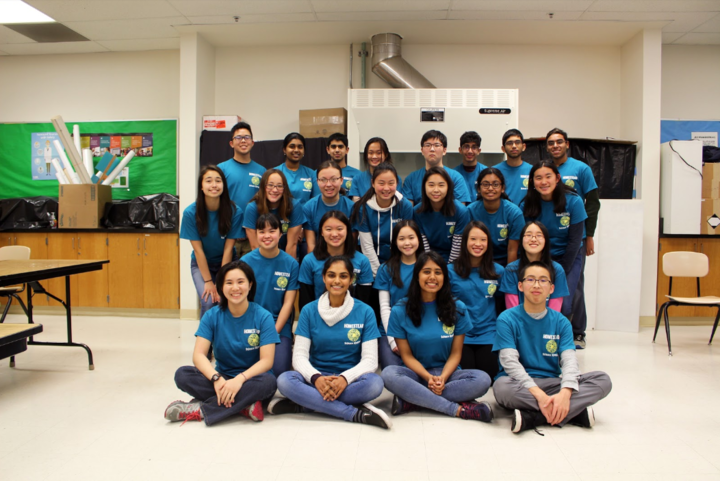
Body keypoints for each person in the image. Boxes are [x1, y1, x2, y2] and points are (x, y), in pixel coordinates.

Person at [270, 256, 391, 429]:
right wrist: (316, 379)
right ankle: (352, 413)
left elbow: (370, 361)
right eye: (331, 275)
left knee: (375, 384)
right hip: (316, 377)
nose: (337, 281)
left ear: (351, 280)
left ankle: (305, 403)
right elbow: (299, 357)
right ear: (324, 278)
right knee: (284, 380)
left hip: (351, 379)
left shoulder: (365, 311)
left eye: (343, 276)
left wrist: (344, 378)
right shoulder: (308, 310)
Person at [492, 261, 612, 434]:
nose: (536, 285)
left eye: (543, 280)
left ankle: (533, 417)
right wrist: (537, 394)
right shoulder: (507, 318)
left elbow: (569, 360)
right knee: (501, 388)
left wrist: (565, 392)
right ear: (520, 285)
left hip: (552, 382)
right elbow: (508, 361)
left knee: (603, 380)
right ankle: (573, 413)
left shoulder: (561, 321)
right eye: (530, 279)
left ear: (551, 288)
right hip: (519, 383)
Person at [381, 251, 493, 421]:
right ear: (417, 275)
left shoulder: (459, 308)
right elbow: (406, 356)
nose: (432, 277)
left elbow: (456, 353)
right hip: (416, 374)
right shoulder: (399, 310)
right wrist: (428, 378)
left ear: (444, 277)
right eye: (426, 272)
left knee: (483, 379)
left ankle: (414, 399)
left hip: (447, 374)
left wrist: (442, 378)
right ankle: (456, 409)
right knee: (389, 374)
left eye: (438, 272)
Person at [165, 261, 279, 425]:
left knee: (268, 383)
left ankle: (201, 410)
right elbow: (198, 355)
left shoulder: (263, 316)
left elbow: (267, 361)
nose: (235, 288)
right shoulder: (212, 316)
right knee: (182, 375)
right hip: (222, 378)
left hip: (251, 379)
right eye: (229, 283)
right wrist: (217, 379)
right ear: (221, 286)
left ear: (250, 284)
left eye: (240, 282)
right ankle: (244, 406)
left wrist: (239, 380)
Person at [521, 161, 587, 348]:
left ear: (557, 178)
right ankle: (539, 337)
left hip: (570, 255)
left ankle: (570, 335)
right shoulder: (527, 204)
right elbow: (525, 238)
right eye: (538, 177)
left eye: (548, 176)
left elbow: (575, 241)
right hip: (539, 256)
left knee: (566, 301)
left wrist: (560, 271)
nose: (543, 181)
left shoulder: (573, 201)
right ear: (532, 181)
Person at [546, 127, 601, 349]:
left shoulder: (581, 169)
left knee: (574, 286)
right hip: (550, 242)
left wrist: (589, 235)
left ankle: (578, 332)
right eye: (551, 143)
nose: (555, 146)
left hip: (575, 240)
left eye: (559, 142)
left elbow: (594, 204)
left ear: (567, 144)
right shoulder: (544, 169)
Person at [180, 166, 244, 317]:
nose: (214, 185)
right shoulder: (191, 213)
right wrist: (209, 281)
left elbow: (229, 249)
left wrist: (221, 280)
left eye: (218, 181)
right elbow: (198, 250)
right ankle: (205, 340)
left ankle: (226, 339)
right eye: (209, 181)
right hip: (202, 263)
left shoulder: (235, 211)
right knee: (208, 301)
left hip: (227, 261)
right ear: (201, 186)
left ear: (223, 185)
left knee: (226, 298)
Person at [242, 214, 299, 377]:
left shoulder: (291, 264)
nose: (267, 236)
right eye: (262, 231)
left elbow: (288, 303)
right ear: (256, 234)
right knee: (243, 367)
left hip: (277, 324)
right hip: (251, 321)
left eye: (272, 231)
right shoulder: (245, 262)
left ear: (280, 234)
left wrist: (273, 333)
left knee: (279, 371)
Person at [448, 221, 504, 380]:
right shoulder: (450, 271)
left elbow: (501, 305)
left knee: (489, 375)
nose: (478, 244)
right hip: (461, 334)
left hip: (488, 333)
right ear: (465, 242)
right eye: (473, 239)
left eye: (483, 240)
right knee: (466, 376)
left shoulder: (498, 271)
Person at [373, 220, 425, 369]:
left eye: (411, 237)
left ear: (419, 239)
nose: (407, 243)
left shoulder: (428, 266)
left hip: (421, 329)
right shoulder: (385, 269)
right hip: (392, 330)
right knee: (391, 372)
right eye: (401, 239)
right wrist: (392, 340)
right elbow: (384, 307)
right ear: (395, 242)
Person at [299, 211, 374, 309]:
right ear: (321, 232)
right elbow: (306, 301)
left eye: (339, 229)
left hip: (352, 319)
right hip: (318, 317)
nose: (334, 234)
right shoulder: (309, 260)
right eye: (328, 229)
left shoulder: (362, 261)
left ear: (347, 230)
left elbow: (364, 302)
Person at [352, 162, 414, 275]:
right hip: (372, 265)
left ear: (397, 183)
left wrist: (398, 270)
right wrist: (380, 274)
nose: (386, 188)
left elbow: (407, 241)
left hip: (400, 263)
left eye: (391, 183)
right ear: (373, 183)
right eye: (381, 183)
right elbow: (367, 246)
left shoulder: (405, 206)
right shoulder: (363, 208)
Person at [218, 122, 266, 257]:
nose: (243, 140)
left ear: (252, 143)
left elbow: (264, 204)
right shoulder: (221, 169)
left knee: (252, 275)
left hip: (254, 236)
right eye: (238, 137)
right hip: (228, 235)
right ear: (231, 143)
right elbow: (217, 202)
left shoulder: (261, 171)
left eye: (247, 137)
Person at [500, 221, 570, 312]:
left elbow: (554, 312)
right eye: (528, 235)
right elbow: (512, 310)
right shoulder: (511, 269)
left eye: (539, 235)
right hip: (519, 323)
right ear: (521, 240)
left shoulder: (557, 270)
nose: (533, 239)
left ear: (546, 240)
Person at [467, 167, 524, 266]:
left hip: (505, 260)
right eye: (485, 184)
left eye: (495, 184)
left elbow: (512, 250)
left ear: (503, 188)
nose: (490, 188)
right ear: (478, 189)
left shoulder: (514, 213)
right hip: (478, 259)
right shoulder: (470, 211)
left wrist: (508, 275)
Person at [243, 169, 304, 260]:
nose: (275, 190)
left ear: (284, 189)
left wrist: (286, 270)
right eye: (270, 185)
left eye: (279, 186)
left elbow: (292, 245)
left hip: (287, 255)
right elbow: (255, 246)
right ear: (263, 187)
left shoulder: (294, 206)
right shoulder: (252, 208)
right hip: (261, 257)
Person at [412, 166, 470, 263]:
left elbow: (457, 248)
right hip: (427, 260)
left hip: (455, 261)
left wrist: (450, 269)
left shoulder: (461, 211)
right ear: (424, 187)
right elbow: (424, 247)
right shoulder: (417, 211)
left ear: (448, 187)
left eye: (441, 185)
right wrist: (431, 266)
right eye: (431, 185)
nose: (436, 190)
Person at [402, 130, 472, 205]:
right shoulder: (411, 179)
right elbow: (408, 211)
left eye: (437, 145)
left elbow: (460, 210)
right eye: (428, 145)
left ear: (444, 150)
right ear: (422, 150)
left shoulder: (456, 178)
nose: (432, 149)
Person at [302, 160, 355, 253]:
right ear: (317, 181)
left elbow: (352, 244)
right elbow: (311, 245)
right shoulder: (309, 208)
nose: (328, 184)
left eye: (334, 179)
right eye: (323, 180)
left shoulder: (351, 207)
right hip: (319, 258)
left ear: (341, 180)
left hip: (345, 259)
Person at [275, 132, 319, 203]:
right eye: (292, 146)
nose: (296, 150)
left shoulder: (311, 174)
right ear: (284, 150)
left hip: (305, 214)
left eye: (300, 147)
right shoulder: (275, 172)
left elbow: (316, 201)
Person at [495, 129, 532, 206]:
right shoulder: (495, 171)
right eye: (509, 143)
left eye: (517, 142)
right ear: (503, 148)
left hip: (527, 216)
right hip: (503, 215)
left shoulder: (532, 170)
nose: (514, 146)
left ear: (524, 146)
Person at [325, 133, 360, 198]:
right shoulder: (319, 173)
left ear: (347, 150)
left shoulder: (358, 174)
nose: (337, 150)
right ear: (328, 150)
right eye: (333, 147)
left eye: (340, 147)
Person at [454, 131, 483, 200]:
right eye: (466, 147)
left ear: (479, 151)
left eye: (474, 147)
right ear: (460, 150)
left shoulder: (486, 173)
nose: (470, 151)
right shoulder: (453, 174)